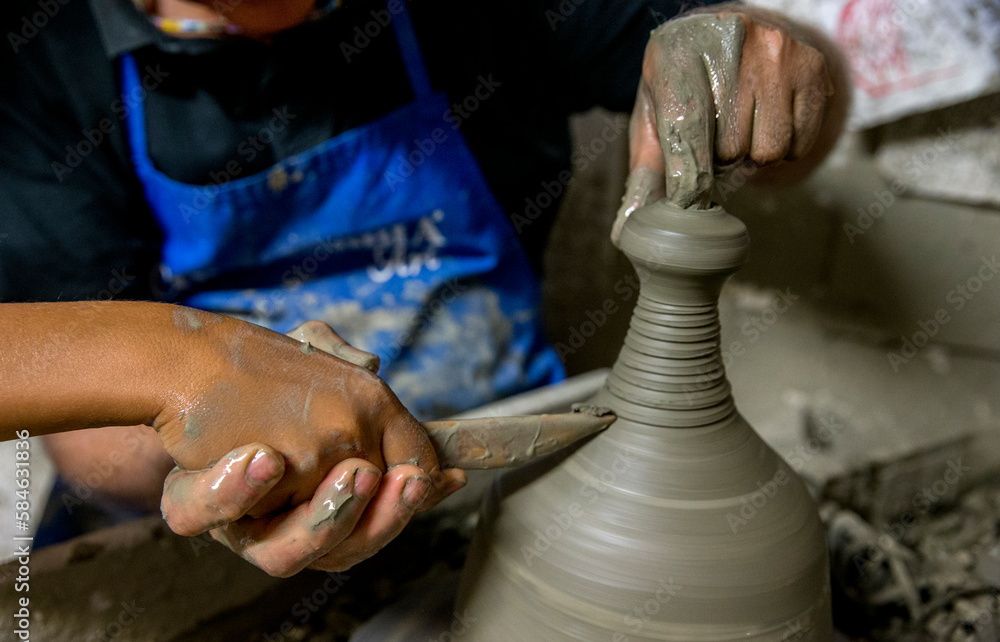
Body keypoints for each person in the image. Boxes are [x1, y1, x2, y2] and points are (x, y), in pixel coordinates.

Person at [0, 0, 848, 576]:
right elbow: (91, 437)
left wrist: (764, 61)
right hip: (210, 504)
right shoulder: (47, 49)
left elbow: (781, 111)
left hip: (491, 457)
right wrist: (256, 458)